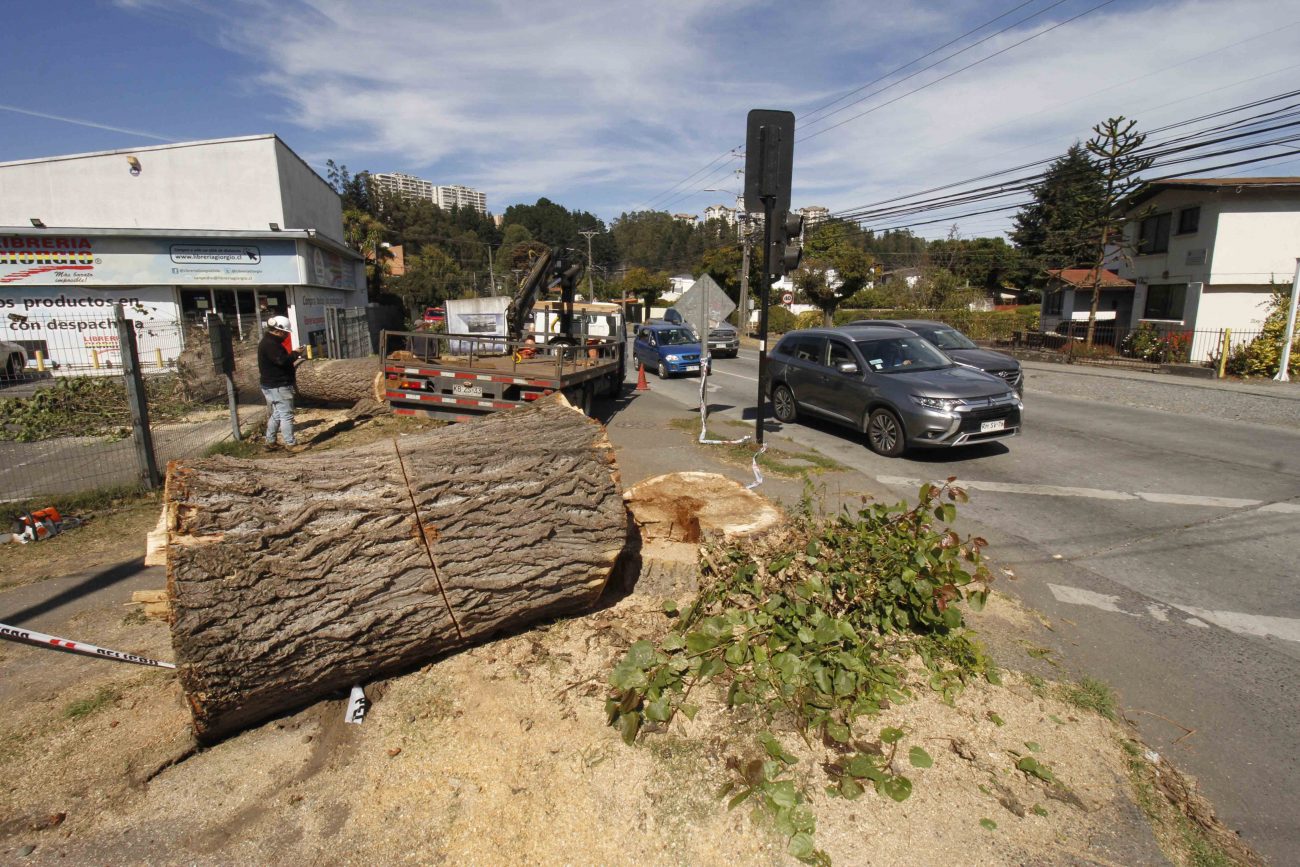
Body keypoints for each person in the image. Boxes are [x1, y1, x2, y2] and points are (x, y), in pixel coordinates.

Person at [259, 315, 304, 449]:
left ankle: (270, 441)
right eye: (285, 333)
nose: (286, 336)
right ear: (279, 331)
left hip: (270, 385)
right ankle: (291, 444)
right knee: (286, 415)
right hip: (278, 386)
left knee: (277, 414)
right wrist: (295, 354)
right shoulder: (272, 345)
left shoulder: (266, 342)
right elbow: (282, 361)